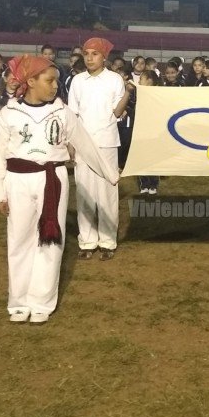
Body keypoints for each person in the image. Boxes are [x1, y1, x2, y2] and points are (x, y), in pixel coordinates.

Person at [0, 55, 119, 324]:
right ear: (30, 81)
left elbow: (85, 145)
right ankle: (19, 301)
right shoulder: (10, 114)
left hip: (52, 179)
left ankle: (42, 301)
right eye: (49, 80)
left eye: (56, 80)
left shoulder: (62, 112)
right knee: (19, 239)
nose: (55, 85)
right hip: (18, 179)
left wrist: (110, 174)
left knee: (51, 241)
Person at [68, 37, 131, 261]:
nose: (89, 58)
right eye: (86, 53)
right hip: (83, 143)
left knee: (106, 194)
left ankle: (107, 241)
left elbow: (116, 112)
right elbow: (72, 115)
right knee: (84, 193)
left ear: (104, 57)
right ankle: (87, 241)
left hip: (106, 142)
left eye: (94, 54)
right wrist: (71, 142)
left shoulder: (114, 80)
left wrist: (128, 93)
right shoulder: (77, 82)